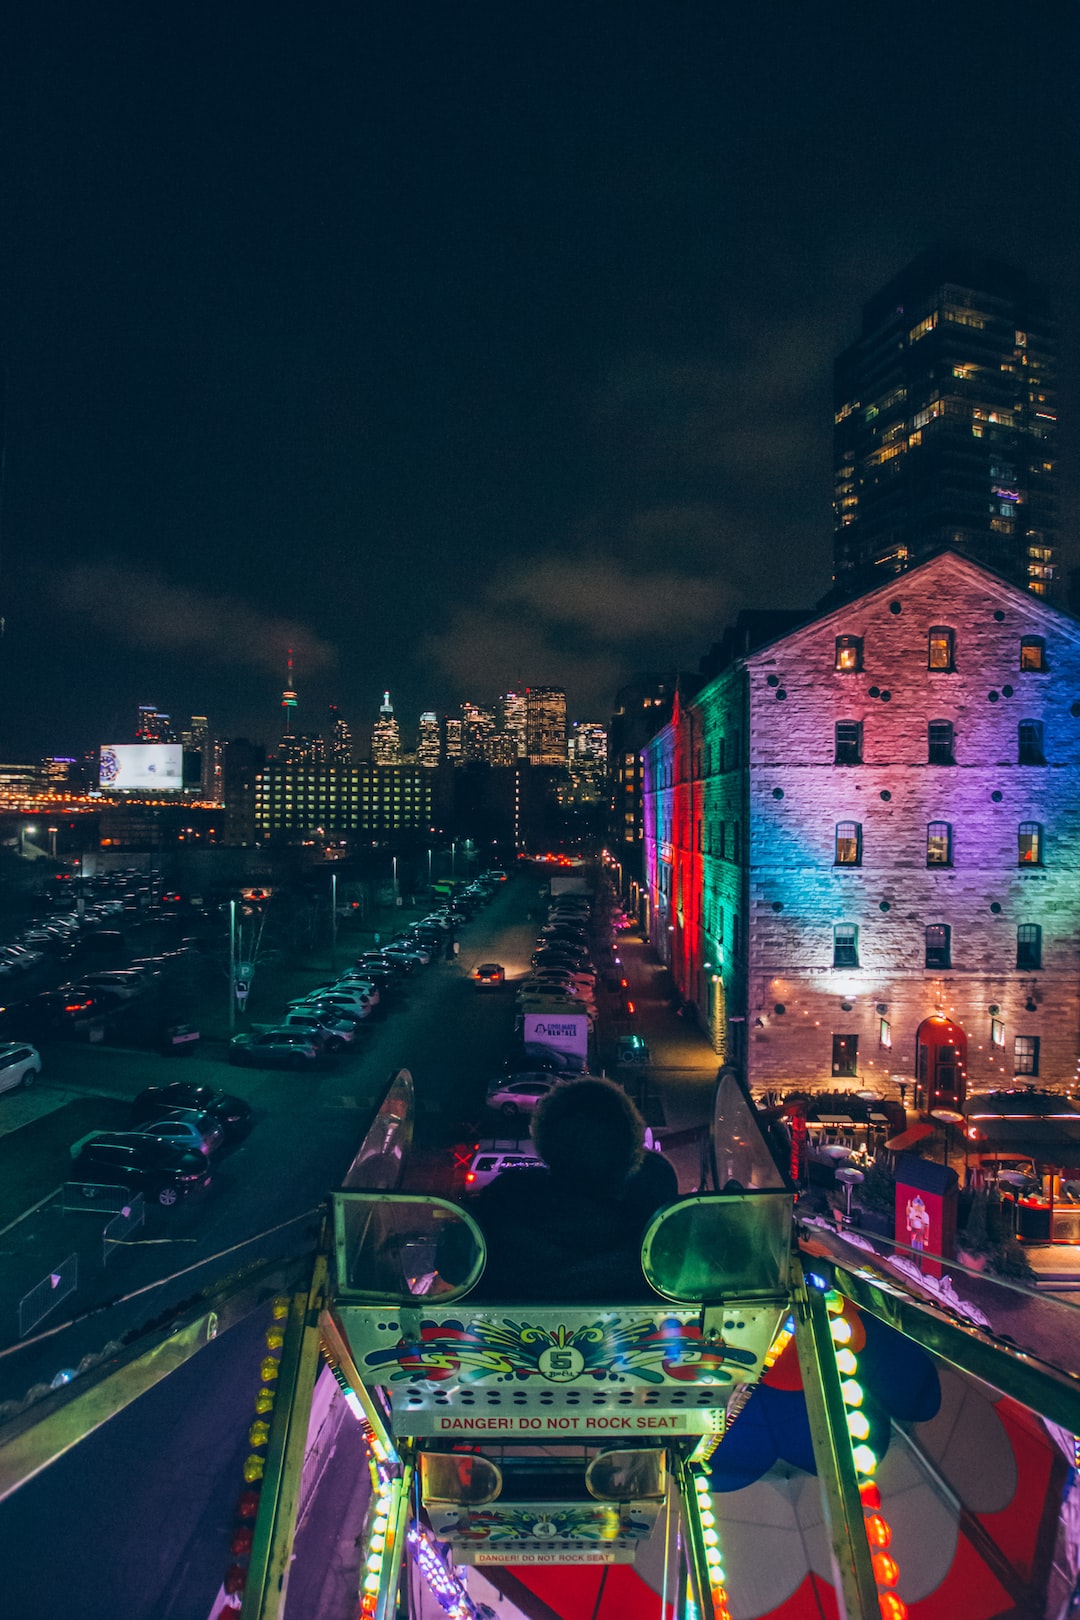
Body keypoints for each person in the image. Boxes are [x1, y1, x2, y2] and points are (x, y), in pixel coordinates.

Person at [469, 1077, 678, 1300]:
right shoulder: (656, 1205)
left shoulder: (505, 1200)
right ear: (631, 1142)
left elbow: (455, 1265)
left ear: (544, 1139)